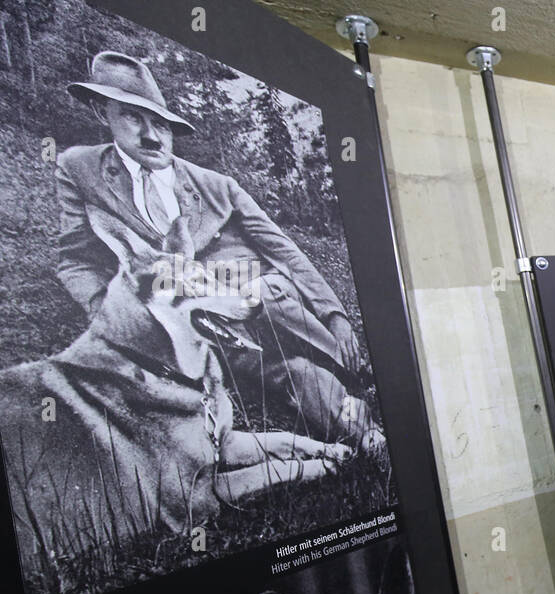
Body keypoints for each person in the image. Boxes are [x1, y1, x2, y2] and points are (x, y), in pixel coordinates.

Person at [56, 51, 383, 452]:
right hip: (191, 323)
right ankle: (361, 430)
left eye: (160, 123)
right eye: (133, 117)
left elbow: (283, 249)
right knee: (290, 375)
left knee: (266, 296)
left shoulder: (217, 185)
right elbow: (74, 259)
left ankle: (350, 369)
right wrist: (104, 310)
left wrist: (335, 315)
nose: (151, 136)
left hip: (252, 293)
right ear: (99, 111)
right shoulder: (79, 168)